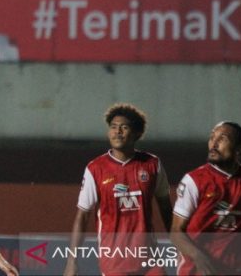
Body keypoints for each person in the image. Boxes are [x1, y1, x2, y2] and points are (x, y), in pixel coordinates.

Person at [63, 103, 173, 276]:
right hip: (114, 261)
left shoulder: (152, 164)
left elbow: (166, 207)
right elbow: (82, 216)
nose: (117, 132)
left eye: (124, 127)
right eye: (113, 127)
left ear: (137, 133)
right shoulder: (96, 168)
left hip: (150, 258)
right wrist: (71, 261)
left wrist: (182, 246)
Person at [170, 121, 241, 275]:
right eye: (212, 138)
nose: (214, 143)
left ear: (240, 150)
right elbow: (176, 233)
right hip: (200, 269)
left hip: (239, 267)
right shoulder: (194, 180)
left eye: (222, 139)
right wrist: (198, 257)